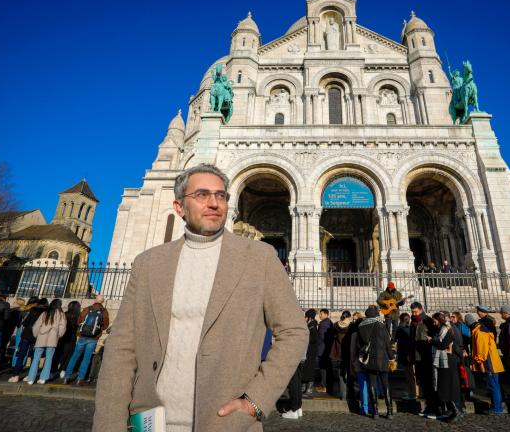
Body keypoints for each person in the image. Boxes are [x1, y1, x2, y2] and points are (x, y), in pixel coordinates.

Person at [93, 164, 308, 432]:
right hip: (151, 423)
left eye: (221, 196)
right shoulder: (148, 264)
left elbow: (295, 331)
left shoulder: (260, 257)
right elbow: (122, 349)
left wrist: (255, 400)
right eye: (202, 195)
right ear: (179, 207)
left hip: (227, 423)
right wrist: (109, 425)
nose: (214, 203)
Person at [358, 305, 395, 419]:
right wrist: (391, 357)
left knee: (371, 385)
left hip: (369, 359)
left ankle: (375, 412)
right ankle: (389, 411)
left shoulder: (361, 326)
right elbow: (387, 343)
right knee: (385, 385)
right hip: (382, 358)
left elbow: (361, 344)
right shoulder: (380, 325)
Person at [62, 294, 109, 385]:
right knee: (86, 359)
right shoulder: (104, 311)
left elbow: (79, 320)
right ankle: (80, 379)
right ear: (103, 301)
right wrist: (97, 330)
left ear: (95, 300)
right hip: (93, 338)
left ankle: (66, 377)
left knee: (75, 356)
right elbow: (105, 325)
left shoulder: (87, 309)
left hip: (82, 336)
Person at [425, 312, 463, 422]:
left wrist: (431, 340)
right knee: (444, 387)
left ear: (439, 319)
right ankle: (454, 411)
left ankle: (456, 411)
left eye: (435, 320)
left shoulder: (446, 330)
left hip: (446, 360)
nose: (433, 322)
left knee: (445, 387)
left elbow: (442, 344)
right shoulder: (444, 329)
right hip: (444, 359)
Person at [465, 313, 504, 415]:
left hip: (489, 363)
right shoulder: (480, 329)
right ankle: (497, 406)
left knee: (493, 385)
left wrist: (478, 361)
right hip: (492, 361)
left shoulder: (479, 332)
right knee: (495, 385)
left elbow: (482, 352)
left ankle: (496, 408)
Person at [25, 298, 66, 385]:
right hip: (52, 339)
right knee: (48, 359)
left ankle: (31, 378)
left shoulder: (45, 313)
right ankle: (43, 378)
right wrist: (58, 336)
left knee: (36, 358)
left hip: (41, 337)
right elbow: (62, 328)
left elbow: (36, 326)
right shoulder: (61, 315)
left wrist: (36, 335)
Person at [9, 298, 48, 381]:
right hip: (37, 336)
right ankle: (30, 375)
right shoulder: (46, 312)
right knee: (35, 356)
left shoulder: (32, 310)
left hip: (26, 334)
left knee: (21, 355)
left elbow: (25, 323)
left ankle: (15, 375)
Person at [53, 300, 81, 375]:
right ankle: (63, 369)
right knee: (69, 354)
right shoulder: (79, 316)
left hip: (63, 336)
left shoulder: (64, 314)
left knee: (58, 352)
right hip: (72, 337)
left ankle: (53, 369)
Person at [329, 310, 352, 400]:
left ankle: (343, 394)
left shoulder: (335, 325)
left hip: (338, 353)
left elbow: (332, 335)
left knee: (341, 374)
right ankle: (350, 394)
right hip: (349, 353)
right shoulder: (351, 326)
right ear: (349, 317)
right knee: (350, 374)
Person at [394, 312, 417, 400]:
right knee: (411, 374)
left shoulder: (401, 328)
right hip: (408, 354)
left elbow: (396, 339)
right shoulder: (410, 328)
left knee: (409, 375)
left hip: (405, 354)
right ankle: (413, 392)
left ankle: (412, 393)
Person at [316, 308, 334, 393]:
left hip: (323, 349)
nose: (320, 315)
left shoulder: (324, 324)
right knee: (327, 368)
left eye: (321, 314)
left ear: (326, 314)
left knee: (323, 368)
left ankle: (324, 386)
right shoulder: (329, 322)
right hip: (327, 349)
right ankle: (328, 386)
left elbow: (322, 337)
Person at [301, 309, 318, 396]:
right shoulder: (309, 325)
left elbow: (313, 339)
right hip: (307, 350)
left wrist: (304, 338)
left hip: (311, 351)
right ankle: (304, 387)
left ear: (309, 317)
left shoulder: (313, 326)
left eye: (306, 317)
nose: (305, 318)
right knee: (305, 369)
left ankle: (309, 388)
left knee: (309, 369)